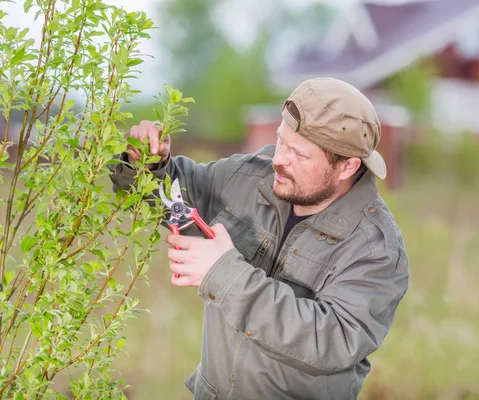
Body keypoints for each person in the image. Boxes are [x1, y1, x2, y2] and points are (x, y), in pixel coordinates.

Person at [109, 77, 409, 400]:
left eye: (298, 153)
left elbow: (329, 342)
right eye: (281, 141)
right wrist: (147, 165)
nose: (279, 159)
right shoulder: (250, 176)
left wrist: (225, 273)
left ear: (347, 166)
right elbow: (170, 194)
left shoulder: (376, 249)